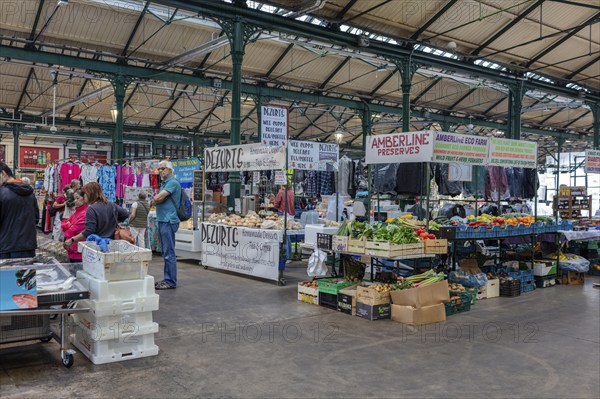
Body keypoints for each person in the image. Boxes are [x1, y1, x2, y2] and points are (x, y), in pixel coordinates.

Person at [63, 182, 129, 250]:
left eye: (85, 193)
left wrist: (72, 240)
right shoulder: (111, 205)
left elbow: (89, 231)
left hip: (97, 246)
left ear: (90, 193)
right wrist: (113, 222)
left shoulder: (91, 209)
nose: (84, 196)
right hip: (112, 244)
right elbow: (125, 214)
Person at [149, 161, 181, 290]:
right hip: (164, 220)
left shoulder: (172, 182)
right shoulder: (165, 183)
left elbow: (157, 198)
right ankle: (167, 278)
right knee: (166, 252)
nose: (160, 171)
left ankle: (170, 281)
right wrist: (155, 200)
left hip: (169, 221)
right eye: (159, 169)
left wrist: (152, 201)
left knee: (169, 252)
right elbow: (158, 200)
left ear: (169, 170)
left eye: (163, 169)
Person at [0, 162, 39, 259]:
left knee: (6, 274)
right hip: (28, 247)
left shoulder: (1, 193)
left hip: (5, 248)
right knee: (25, 274)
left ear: (3, 174)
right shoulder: (30, 193)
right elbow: (36, 218)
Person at [61, 189, 88, 262]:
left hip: (79, 251)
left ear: (84, 198)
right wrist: (69, 225)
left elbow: (71, 230)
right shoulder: (76, 212)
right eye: (74, 199)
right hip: (72, 248)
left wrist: (69, 225)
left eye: (77, 198)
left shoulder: (85, 213)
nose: (75, 201)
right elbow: (63, 224)